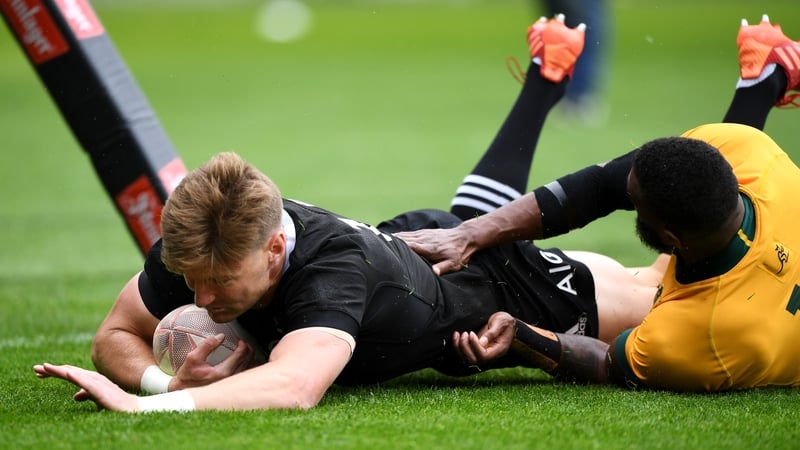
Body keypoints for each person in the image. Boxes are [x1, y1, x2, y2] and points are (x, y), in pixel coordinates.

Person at [33, 16, 663, 413]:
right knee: (467, 221)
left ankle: (712, 137)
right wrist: (162, 383)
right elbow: (113, 335)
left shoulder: (330, 273)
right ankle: (546, 77)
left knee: (661, 295)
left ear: (274, 250)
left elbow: (295, 387)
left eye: (219, 282)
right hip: (415, 248)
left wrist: (144, 408)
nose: (201, 297)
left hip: (508, 291)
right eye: (193, 281)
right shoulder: (205, 239)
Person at [399, 15, 800, 392]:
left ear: (671, 238)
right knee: (467, 249)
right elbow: (604, 186)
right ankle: (761, 80)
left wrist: (524, 338)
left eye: (633, 204)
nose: (623, 199)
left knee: (469, 271)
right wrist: (469, 235)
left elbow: (608, 363)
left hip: (606, 297)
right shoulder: (752, 155)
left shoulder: (703, 336)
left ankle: (761, 81)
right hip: (631, 285)